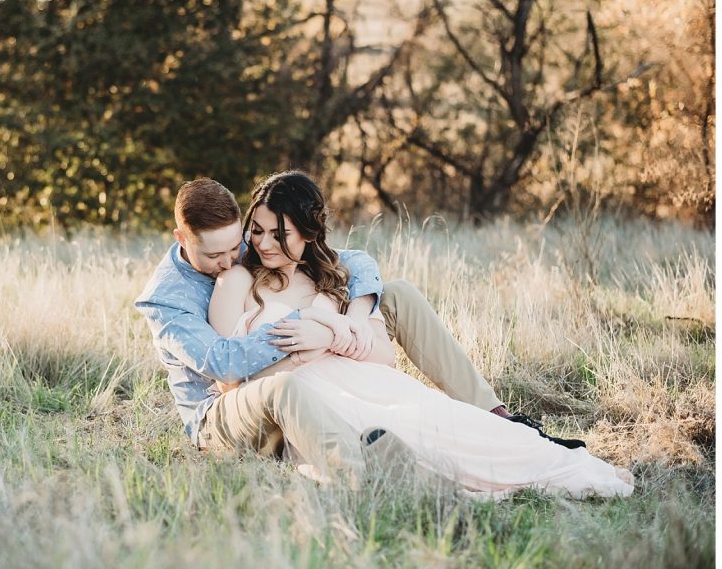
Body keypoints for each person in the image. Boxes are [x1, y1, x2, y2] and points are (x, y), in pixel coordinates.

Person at [205, 170, 633, 498]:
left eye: (280, 234)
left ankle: (533, 448)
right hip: (310, 400)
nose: (262, 243)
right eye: (256, 230)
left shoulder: (332, 279)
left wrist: (331, 329)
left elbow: (380, 356)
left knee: (452, 428)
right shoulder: (238, 282)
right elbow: (229, 379)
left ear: (309, 232)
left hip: (371, 383)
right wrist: (302, 349)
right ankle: (416, 487)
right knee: (395, 441)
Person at [135, 177, 564, 483]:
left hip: (304, 366)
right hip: (223, 412)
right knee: (285, 387)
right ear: (181, 238)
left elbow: (352, 261)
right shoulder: (166, 299)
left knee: (395, 293)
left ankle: (493, 413)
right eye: (216, 256)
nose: (232, 260)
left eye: (237, 247)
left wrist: (354, 318)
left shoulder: (248, 244)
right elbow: (224, 365)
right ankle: (369, 477)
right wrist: (313, 324)